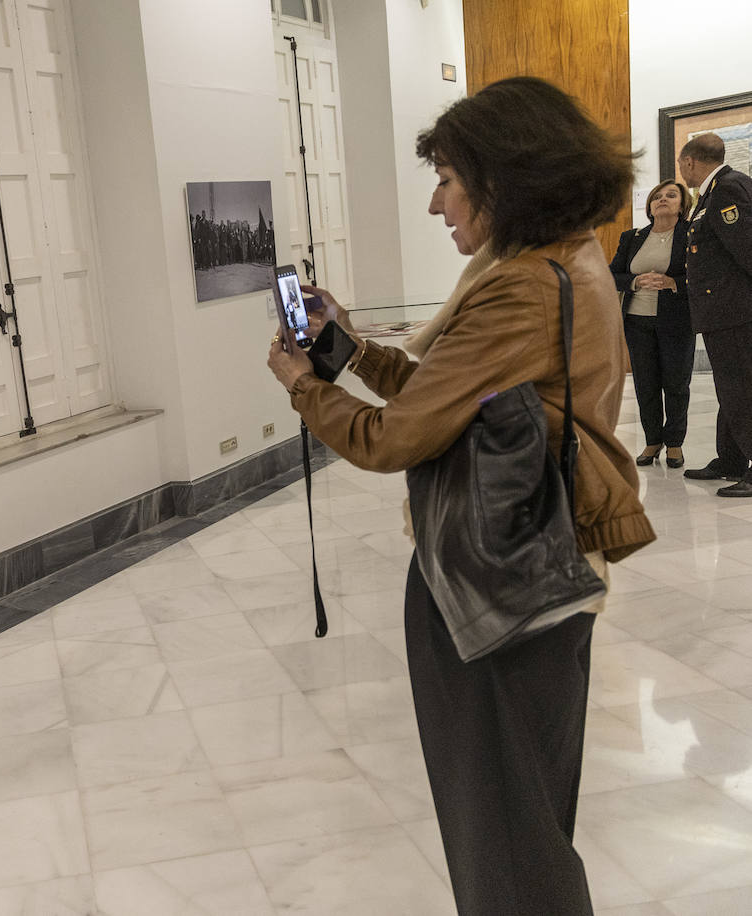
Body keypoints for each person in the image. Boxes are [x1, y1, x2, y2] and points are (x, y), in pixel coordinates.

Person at [267, 77, 654, 915]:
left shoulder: (520, 283)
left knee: (503, 833)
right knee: (521, 818)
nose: (439, 203)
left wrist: (306, 384)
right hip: (526, 570)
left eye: (447, 177)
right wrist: (352, 351)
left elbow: (393, 438)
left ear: (503, 176)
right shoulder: (563, 257)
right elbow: (452, 393)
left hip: (495, 580)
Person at [677, 134, 752, 496]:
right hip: (723, 310)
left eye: (681, 165)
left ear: (690, 161)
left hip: (735, 311)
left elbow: (747, 249)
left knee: (743, 390)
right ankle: (731, 460)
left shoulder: (728, 189)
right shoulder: (713, 192)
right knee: (730, 390)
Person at [608, 179, 695, 468]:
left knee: (676, 384)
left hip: (677, 321)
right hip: (636, 322)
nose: (663, 199)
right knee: (646, 384)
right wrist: (633, 281)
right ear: (649, 205)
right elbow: (612, 275)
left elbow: (701, 277)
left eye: (671, 196)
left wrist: (673, 283)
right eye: (657, 196)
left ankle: (674, 444)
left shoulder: (691, 235)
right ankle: (652, 441)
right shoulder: (632, 237)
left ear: (682, 206)